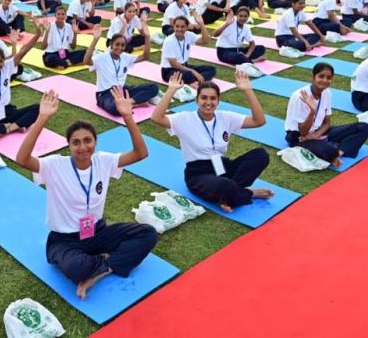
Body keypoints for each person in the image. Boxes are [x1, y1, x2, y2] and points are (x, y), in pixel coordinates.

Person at [15, 89, 157, 300]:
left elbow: (141, 153)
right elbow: (22, 159)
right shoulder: (54, 165)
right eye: (76, 142)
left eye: (88, 140)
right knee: (76, 267)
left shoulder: (103, 161)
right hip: (65, 240)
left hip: (96, 232)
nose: (83, 147)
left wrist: (128, 116)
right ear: (69, 145)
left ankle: (103, 268)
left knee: (148, 234)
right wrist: (42, 118)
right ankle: (104, 263)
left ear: (95, 142)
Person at [150, 71, 274, 212]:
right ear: (196, 100)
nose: (208, 103)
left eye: (213, 98)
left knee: (260, 155)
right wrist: (171, 90)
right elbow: (156, 118)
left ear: (218, 101)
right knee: (225, 185)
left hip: (221, 166)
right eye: (204, 98)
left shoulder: (225, 117)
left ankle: (230, 193)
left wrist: (248, 90)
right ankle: (245, 193)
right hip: (198, 174)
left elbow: (259, 121)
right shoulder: (184, 119)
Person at [285, 62, 368, 167]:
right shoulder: (300, 97)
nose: (325, 80)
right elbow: (303, 132)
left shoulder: (327, 92)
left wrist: (316, 135)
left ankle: (338, 153)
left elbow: (327, 123)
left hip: (319, 132)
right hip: (299, 137)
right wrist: (312, 111)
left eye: (329, 78)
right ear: (313, 77)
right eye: (321, 76)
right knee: (329, 149)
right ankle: (333, 151)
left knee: (363, 127)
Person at [83, 24, 159, 115]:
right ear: (111, 45)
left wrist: (147, 37)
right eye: (117, 44)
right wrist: (95, 39)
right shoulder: (102, 57)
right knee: (115, 108)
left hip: (121, 90)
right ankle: (135, 103)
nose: (120, 48)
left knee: (153, 88)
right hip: (105, 94)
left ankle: (129, 102)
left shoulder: (125, 57)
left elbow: (145, 57)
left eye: (122, 45)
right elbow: (86, 61)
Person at [160, 13, 215, 85]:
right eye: (177, 26)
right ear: (173, 27)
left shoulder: (188, 35)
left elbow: (205, 41)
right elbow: (174, 64)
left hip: (184, 66)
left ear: (187, 27)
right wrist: (192, 71)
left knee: (211, 69)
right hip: (169, 70)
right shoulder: (169, 41)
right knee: (188, 74)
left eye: (182, 27)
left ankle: (195, 81)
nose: (179, 29)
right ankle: (196, 79)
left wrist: (201, 24)